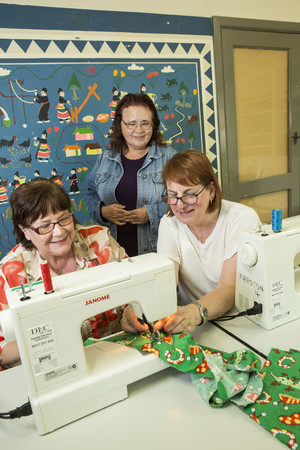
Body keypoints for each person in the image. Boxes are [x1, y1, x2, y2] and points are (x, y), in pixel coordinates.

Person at [121, 150, 261, 335]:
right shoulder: (170, 224)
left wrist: (194, 312)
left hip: (244, 322)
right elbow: (166, 280)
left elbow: (229, 288)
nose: (180, 205)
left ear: (211, 190)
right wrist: (140, 308)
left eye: (189, 194)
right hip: (202, 326)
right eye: (173, 195)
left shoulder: (241, 219)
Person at [0, 178, 127, 370]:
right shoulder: (10, 273)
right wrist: (44, 342)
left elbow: (133, 293)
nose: (59, 232)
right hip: (56, 371)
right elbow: (3, 353)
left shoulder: (101, 241)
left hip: (117, 358)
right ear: (25, 231)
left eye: (64, 219)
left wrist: (133, 313)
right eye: (45, 226)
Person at [86, 93, 176, 257]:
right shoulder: (105, 158)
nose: (138, 130)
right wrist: (103, 212)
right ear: (120, 125)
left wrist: (152, 213)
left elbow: (185, 199)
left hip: (157, 251)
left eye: (145, 123)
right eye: (131, 123)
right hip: (113, 254)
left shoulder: (169, 157)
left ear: (153, 125)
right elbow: (90, 193)